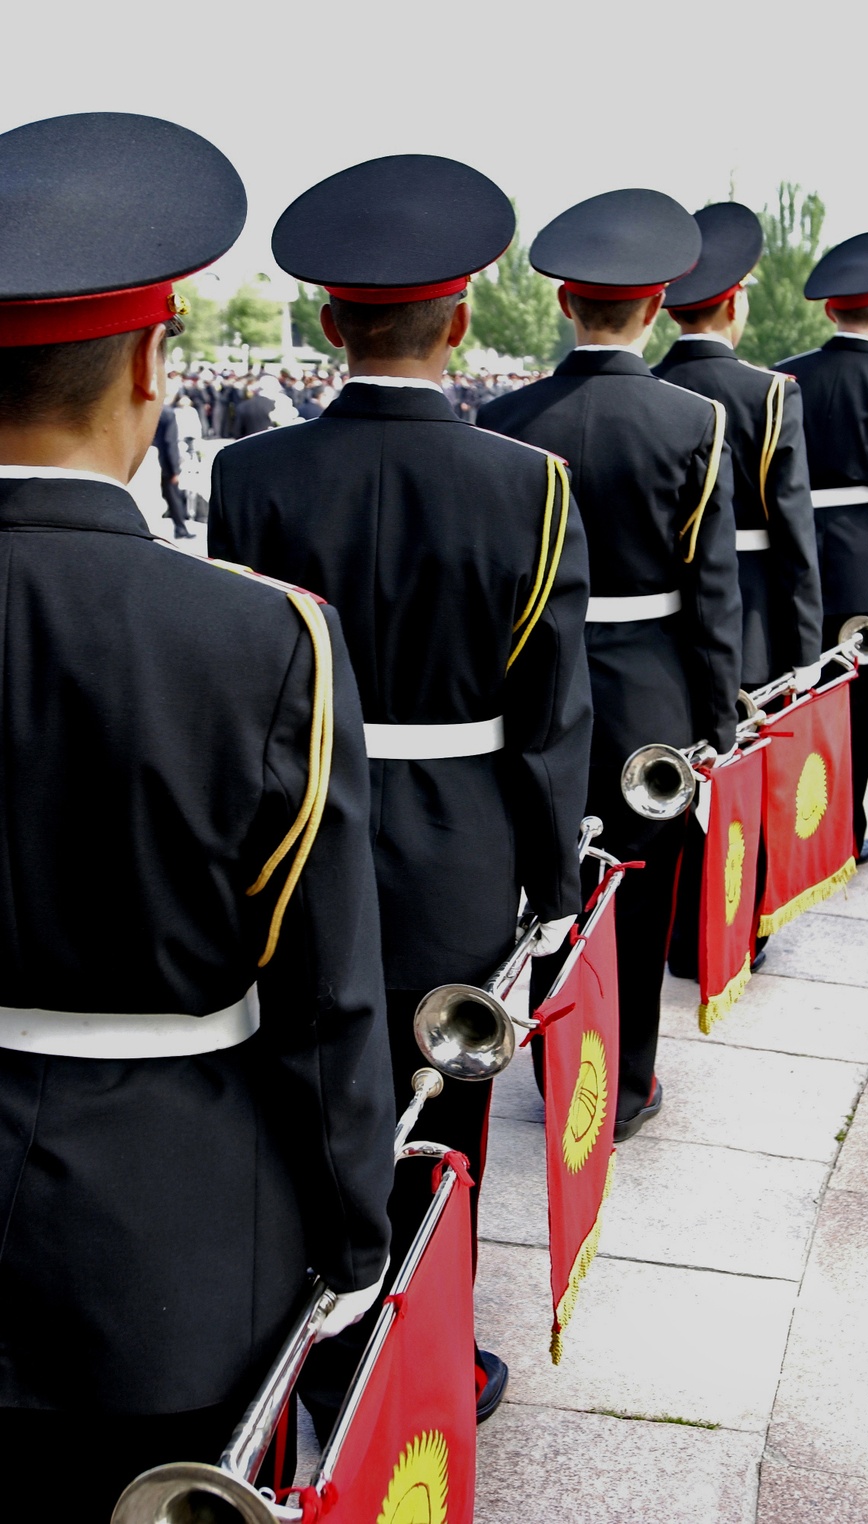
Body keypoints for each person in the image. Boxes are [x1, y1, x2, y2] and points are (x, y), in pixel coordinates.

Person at [0, 112, 395, 1523]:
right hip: (170, 1240)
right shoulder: (268, 640)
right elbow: (331, 989)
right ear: (152, 369)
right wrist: (358, 1234)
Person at [209, 153, 592, 1429]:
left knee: (300, 1094)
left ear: (326, 323)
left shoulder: (252, 478)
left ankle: (304, 1347)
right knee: (448, 1111)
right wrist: (549, 883)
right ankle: (430, 1349)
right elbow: (553, 719)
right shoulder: (526, 484)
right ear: (464, 321)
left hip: (292, 840)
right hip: (463, 841)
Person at [479, 187, 742, 1140]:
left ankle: (554, 1062)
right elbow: (714, 596)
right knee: (634, 888)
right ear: (660, 300)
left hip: (532, 686)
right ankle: (624, 1081)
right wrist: (720, 723)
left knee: (549, 879)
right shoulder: (692, 420)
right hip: (651, 693)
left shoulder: (504, 417)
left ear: (562, 304)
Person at [650, 202, 823, 976]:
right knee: (742, 780)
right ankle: (732, 926)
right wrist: (808, 653)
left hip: (661, 620)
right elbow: (794, 543)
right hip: (749, 614)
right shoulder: (768, 393)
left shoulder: (653, 389)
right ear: (736, 300)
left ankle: (677, 929)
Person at [774, 231, 868, 863]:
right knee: (861, 709)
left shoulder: (785, 378)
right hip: (867, 582)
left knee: (795, 702)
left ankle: (790, 826)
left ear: (829, 308)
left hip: (795, 565)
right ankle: (840, 832)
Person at [152, 400, 194, 538]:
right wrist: (175, 469)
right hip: (164, 462)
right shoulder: (168, 413)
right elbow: (170, 442)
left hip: (149, 458)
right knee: (173, 496)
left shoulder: (152, 411)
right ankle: (181, 528)